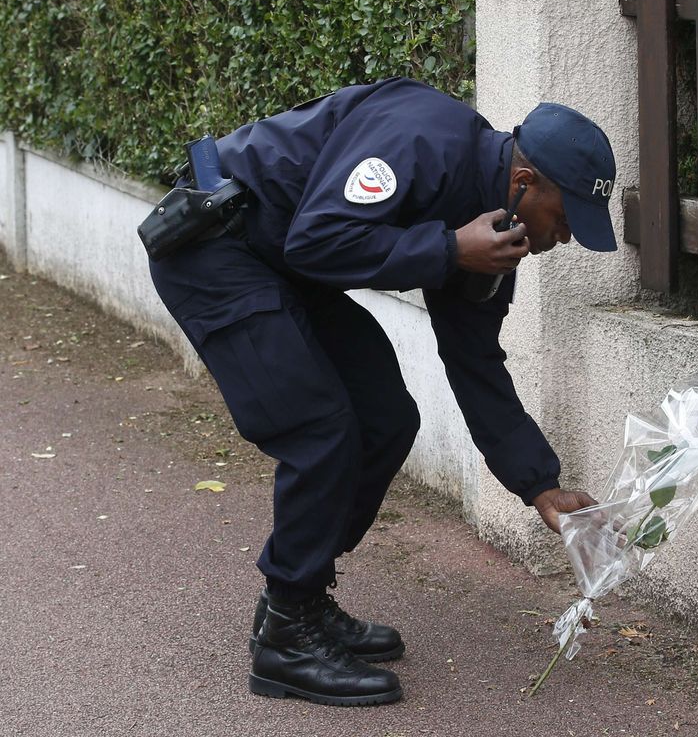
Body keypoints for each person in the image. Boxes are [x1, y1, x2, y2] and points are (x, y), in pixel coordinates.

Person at [145, 77, 613, 706]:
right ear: (525, 182)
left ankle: (300, 597)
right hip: (216, 246)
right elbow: (317, 238)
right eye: (564, 219)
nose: (563, 238)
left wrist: (540, 483)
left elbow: (475, 361)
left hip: (281, 258)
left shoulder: (497, 228)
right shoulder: (420, 141)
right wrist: (448, 248)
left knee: (386, 417)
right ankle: (286, 638)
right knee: (321, 429)